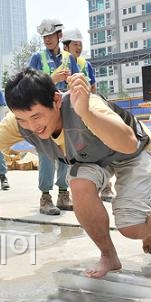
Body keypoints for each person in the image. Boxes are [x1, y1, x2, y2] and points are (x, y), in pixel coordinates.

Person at [0, 69, 151, 278]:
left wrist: (85, 112)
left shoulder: (86, 104)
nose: (32, 127)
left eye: (37, 116)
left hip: (133, 153)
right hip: (91, 157)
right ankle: (108, 255)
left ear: (57, 101)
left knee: (132, 229)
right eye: (22, 119)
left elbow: (128, 144)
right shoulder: (19, 122)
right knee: (78, 185)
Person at [28, 19, 79, 215]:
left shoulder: (69, 58)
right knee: (47, 154)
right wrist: (53, 79)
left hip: (65, 111)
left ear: (59, 36)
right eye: (44, 36)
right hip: (43, 113)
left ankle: (63, 194)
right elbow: (29, 85)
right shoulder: (37, 58)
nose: (47, 39)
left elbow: (78, 81)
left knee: (66, 152)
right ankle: (45, 196)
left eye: (51, 35)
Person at [62, 27, 115, 202]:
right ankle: (70, 191)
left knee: (101, 146)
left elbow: (93, 89)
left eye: (79, 44)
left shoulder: (86, 64)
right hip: (69, 116)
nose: (78, 47)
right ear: (66, 46)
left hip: (88, 112)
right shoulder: (61, 66)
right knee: (73, 153)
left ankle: (106, 186)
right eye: (74, 44)